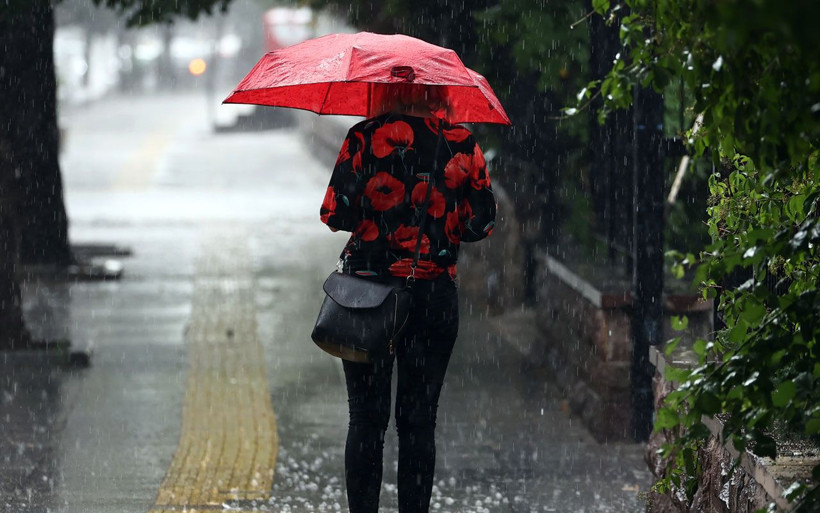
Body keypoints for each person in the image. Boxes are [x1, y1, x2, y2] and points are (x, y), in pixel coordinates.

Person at [319, 84, 496, 513]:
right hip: (432, 297)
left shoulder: (364, 137)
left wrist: (376, 216)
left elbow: (333, 213)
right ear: (438, 92)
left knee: (365, 419)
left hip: (367, 297)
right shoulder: (461, 142)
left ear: (383, 90)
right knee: (418, 423)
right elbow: (481, 224)